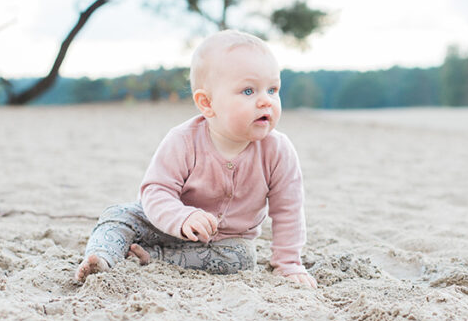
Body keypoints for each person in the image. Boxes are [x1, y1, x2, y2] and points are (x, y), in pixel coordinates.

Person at [75, 29, 317, 288]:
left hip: (224, 241)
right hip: (165, 223)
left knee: (242, 258)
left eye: (272, 89)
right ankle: (102, 257)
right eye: (248, 91)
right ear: (207, 103)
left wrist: (289, 263)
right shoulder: (183, 140)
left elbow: (288, 211)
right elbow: (156, 190)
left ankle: (155, 257)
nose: (265, 101)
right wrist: (182, 217)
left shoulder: (278, 150)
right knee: (120, 214)